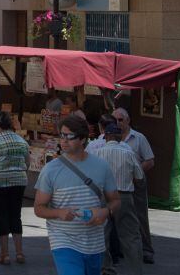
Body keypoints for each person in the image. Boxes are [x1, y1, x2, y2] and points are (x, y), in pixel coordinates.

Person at [34, 115, 121, 275]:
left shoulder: (101, 166)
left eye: (69, 136)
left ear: (82, 139)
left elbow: (115, 200)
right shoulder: (50, 170)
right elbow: (39, 208)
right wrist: (59, 213)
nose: (64, 141)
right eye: (61, 135)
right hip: (63, 240)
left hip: (94, 241)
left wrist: (105, 211)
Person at [93, 124, 145, 275]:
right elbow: (139, 177)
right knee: (130, 236)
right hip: (124, 197)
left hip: (103, 197)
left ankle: (106, 267)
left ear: (106, 137)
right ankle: (136, 271)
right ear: (120, 137)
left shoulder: (97, 153)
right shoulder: (128, 153)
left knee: (102, 233)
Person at [0, 111, 31, 265]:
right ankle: (20, 253)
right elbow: (27, 161)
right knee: (15, 216)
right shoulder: (21, 140)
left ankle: (5, 254)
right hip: (19, 182)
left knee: (1, 216)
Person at [112, 107, 155, 264]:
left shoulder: (138, 138)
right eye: (114, 120)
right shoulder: (110, 138)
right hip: (117, 183)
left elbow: (150, 160)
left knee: (139, 215)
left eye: (120, 120)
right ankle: (121, 249)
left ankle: (146, 250)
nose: (117, 123)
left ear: (128, 120)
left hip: (135, 182)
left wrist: (135, 173)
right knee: (116, 216)